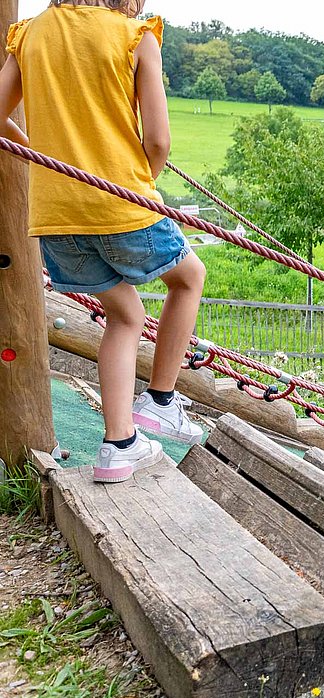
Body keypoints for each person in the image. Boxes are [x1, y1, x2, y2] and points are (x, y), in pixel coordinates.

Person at [1, 0, 207, 483]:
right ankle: (160, 402)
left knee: (126, 314)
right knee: (189, 276)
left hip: (54, 215)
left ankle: (119, 445)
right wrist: (142, 188)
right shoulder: (136, 35)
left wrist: (37, 154)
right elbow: (158, 141)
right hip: (119, 202)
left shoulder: (29, 33)